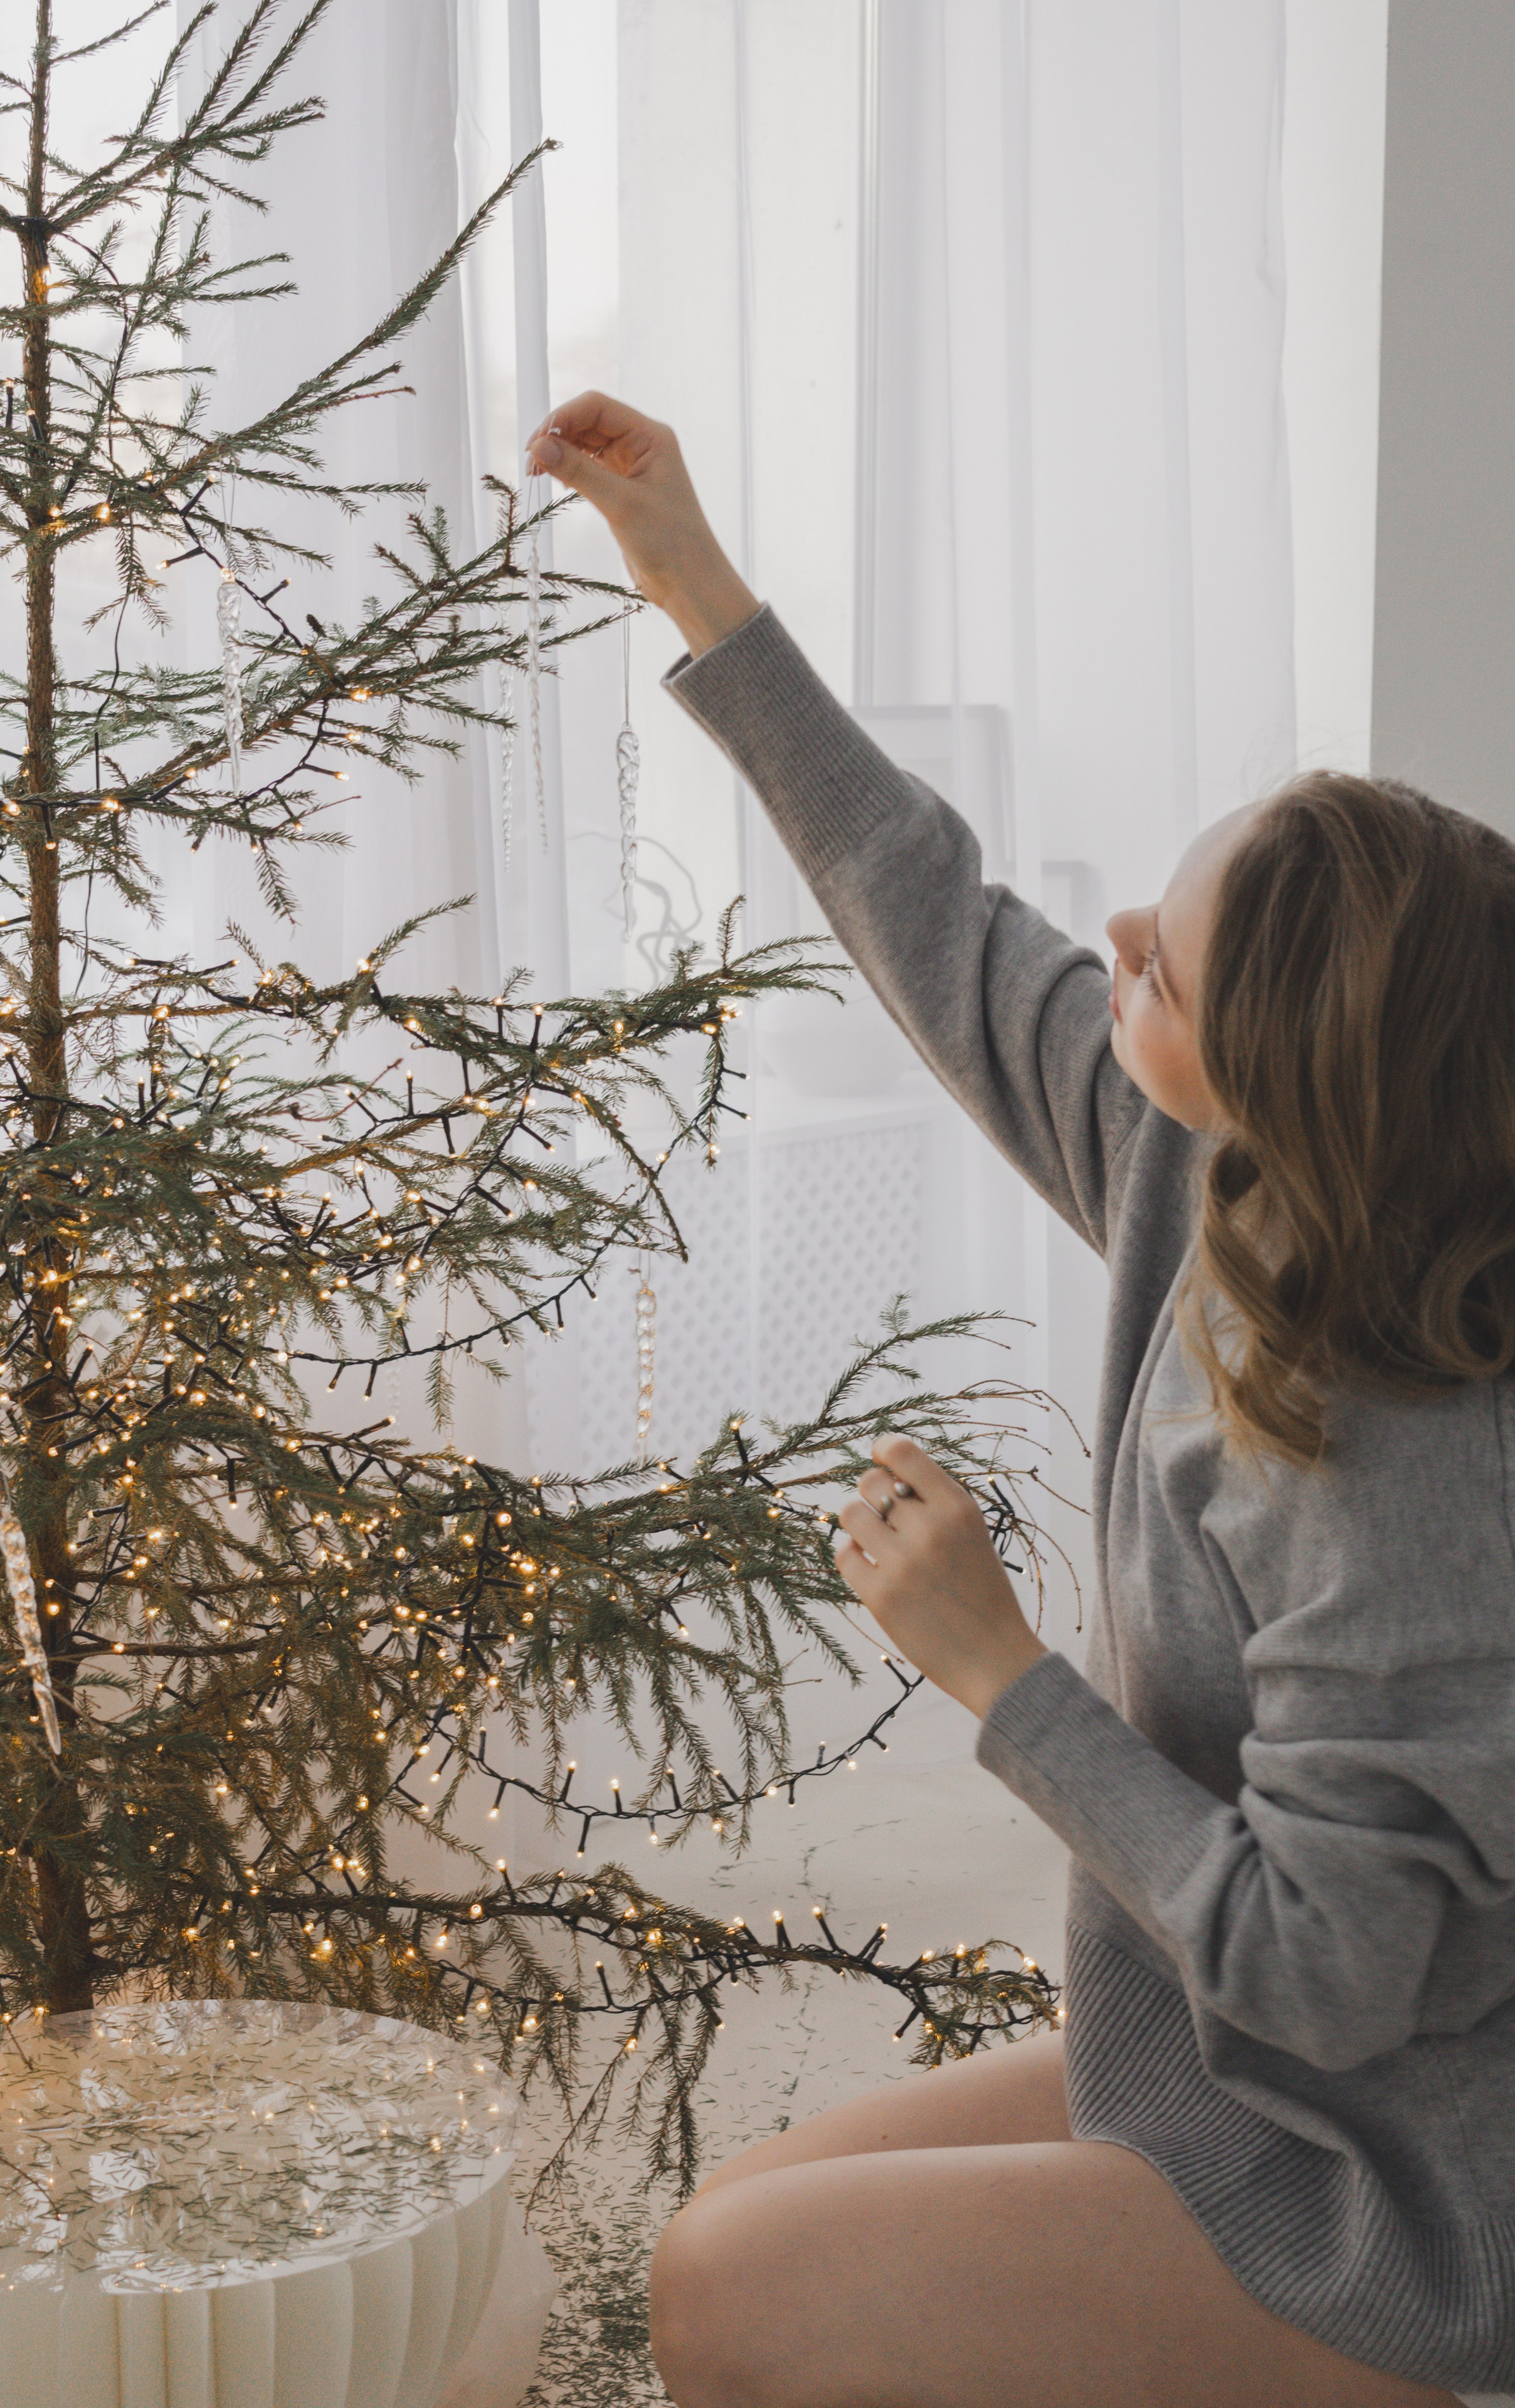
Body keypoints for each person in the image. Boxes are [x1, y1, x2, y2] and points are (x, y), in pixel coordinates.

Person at [524, 395, 1515, 2408]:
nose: (1118, 948)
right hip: (1218, 2071)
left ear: (1293, 1075)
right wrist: (689, 576)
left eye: (1170, 967)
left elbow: (1334, 1976)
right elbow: (941, 917)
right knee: (741, 2234)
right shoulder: (1215, 1174)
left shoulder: (1404, 1465)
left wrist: (998, 1673)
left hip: (1396, 2199)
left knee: (729, 2291)